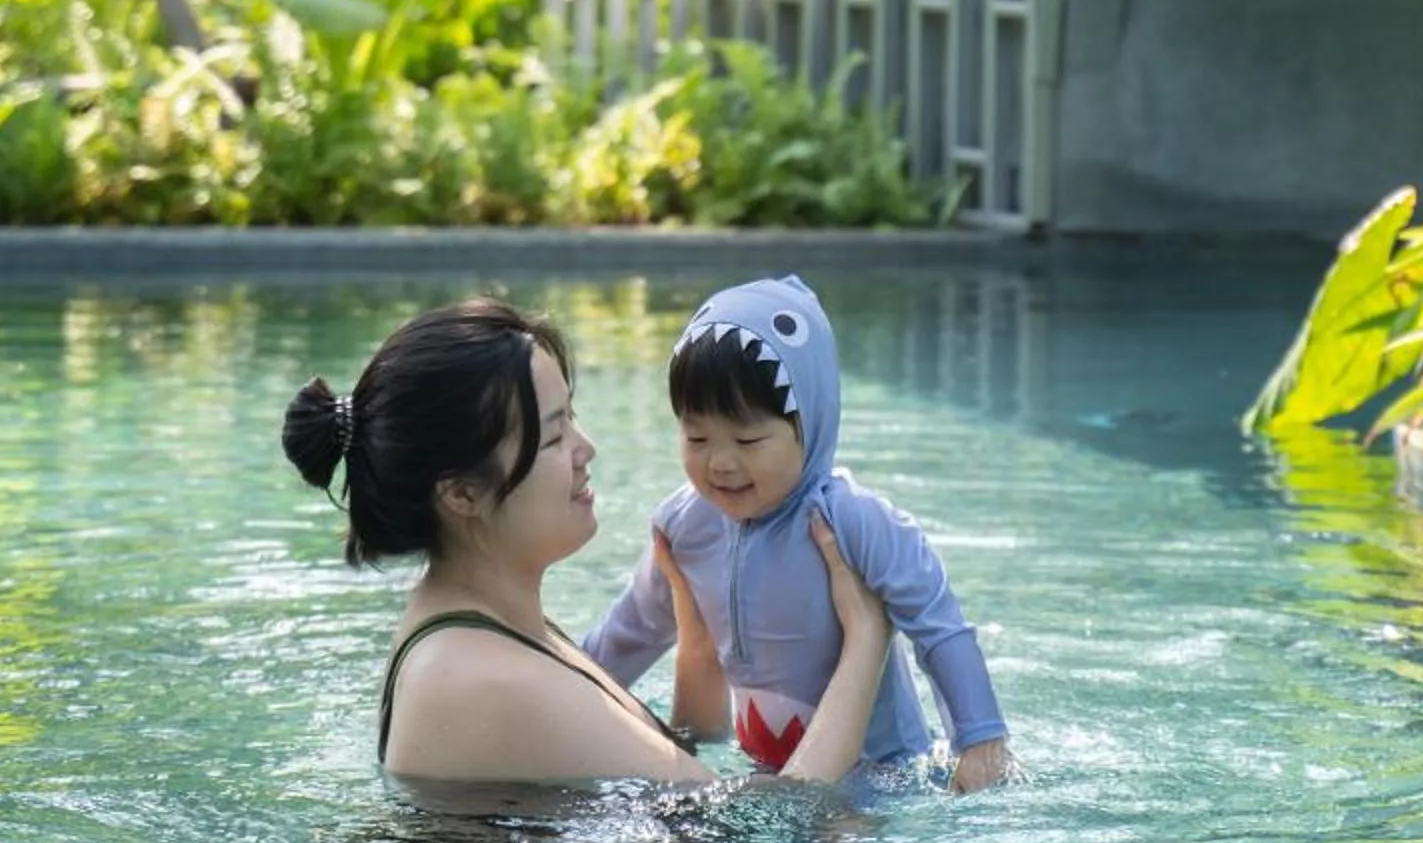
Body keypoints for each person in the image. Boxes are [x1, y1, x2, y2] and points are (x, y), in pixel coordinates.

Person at [280, 297, 894, 787]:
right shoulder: (484, 678)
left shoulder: (497, 629)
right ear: (462, 494)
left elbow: (675, 770)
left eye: (571, 416)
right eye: (553, 438)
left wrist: (696, 637)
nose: (585, 449)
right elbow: (769, 832)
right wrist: (866, 637)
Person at [581, 275, 1015, 792]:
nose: (720, 462)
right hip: (767, 769)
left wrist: (980, 741)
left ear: (811, 424)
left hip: (884, 778)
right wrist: (560, 694)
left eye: (748, 439)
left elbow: (939, 625)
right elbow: (632, 632)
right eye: (696, 436)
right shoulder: (685, 525)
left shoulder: (852, 522)